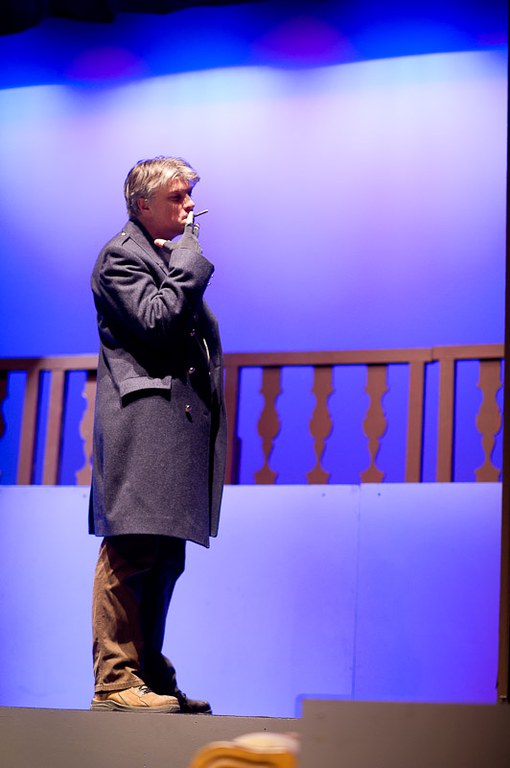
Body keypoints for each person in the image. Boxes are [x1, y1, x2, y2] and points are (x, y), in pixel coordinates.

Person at [88, 156, 227, 713]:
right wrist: (189, 258)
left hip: (173, 426)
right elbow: (157, 320)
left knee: (166, 556)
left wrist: (180, 259)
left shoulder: (162, 256)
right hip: (143, 423)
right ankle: (115, 680)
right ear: (143, 204)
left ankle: (147, 671)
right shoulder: (121, 256)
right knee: (131, 548)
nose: (190, 206)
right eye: (178, 196)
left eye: (190, 194)